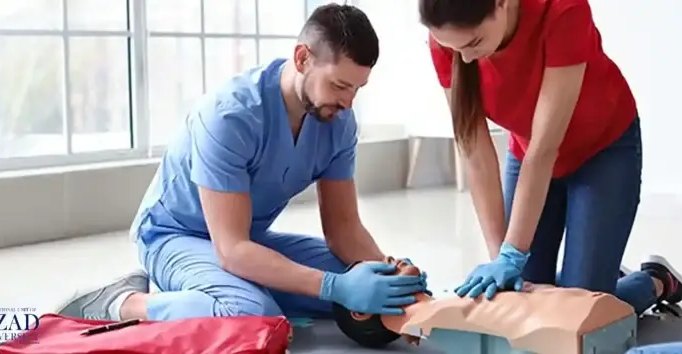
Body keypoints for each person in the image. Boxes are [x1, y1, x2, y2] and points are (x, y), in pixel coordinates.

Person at [56, 4, 426, 322]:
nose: (348, 102)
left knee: (372, 289)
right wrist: (332, 286)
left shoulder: (337, 121)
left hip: (246, 239)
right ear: (302, 59)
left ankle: (231, 287)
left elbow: (344, 228)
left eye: (358, 89)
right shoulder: (230, 116)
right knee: (252, 314)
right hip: (177, 237)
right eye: (340, 85)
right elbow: (231, 249)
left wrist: (390, 271)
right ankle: (124, 302)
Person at [417, 0, 682, 316]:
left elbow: (544, 149)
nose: (463, 57)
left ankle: (655, 281)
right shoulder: (450, 39)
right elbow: (475, 153)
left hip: (602, 152)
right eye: (454, 48)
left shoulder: (563, 10)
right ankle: (598, 274)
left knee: (578, 314)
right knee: (521, 305)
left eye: (474, 43)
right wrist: (501, 259)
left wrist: (513, 255)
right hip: (528, 153)